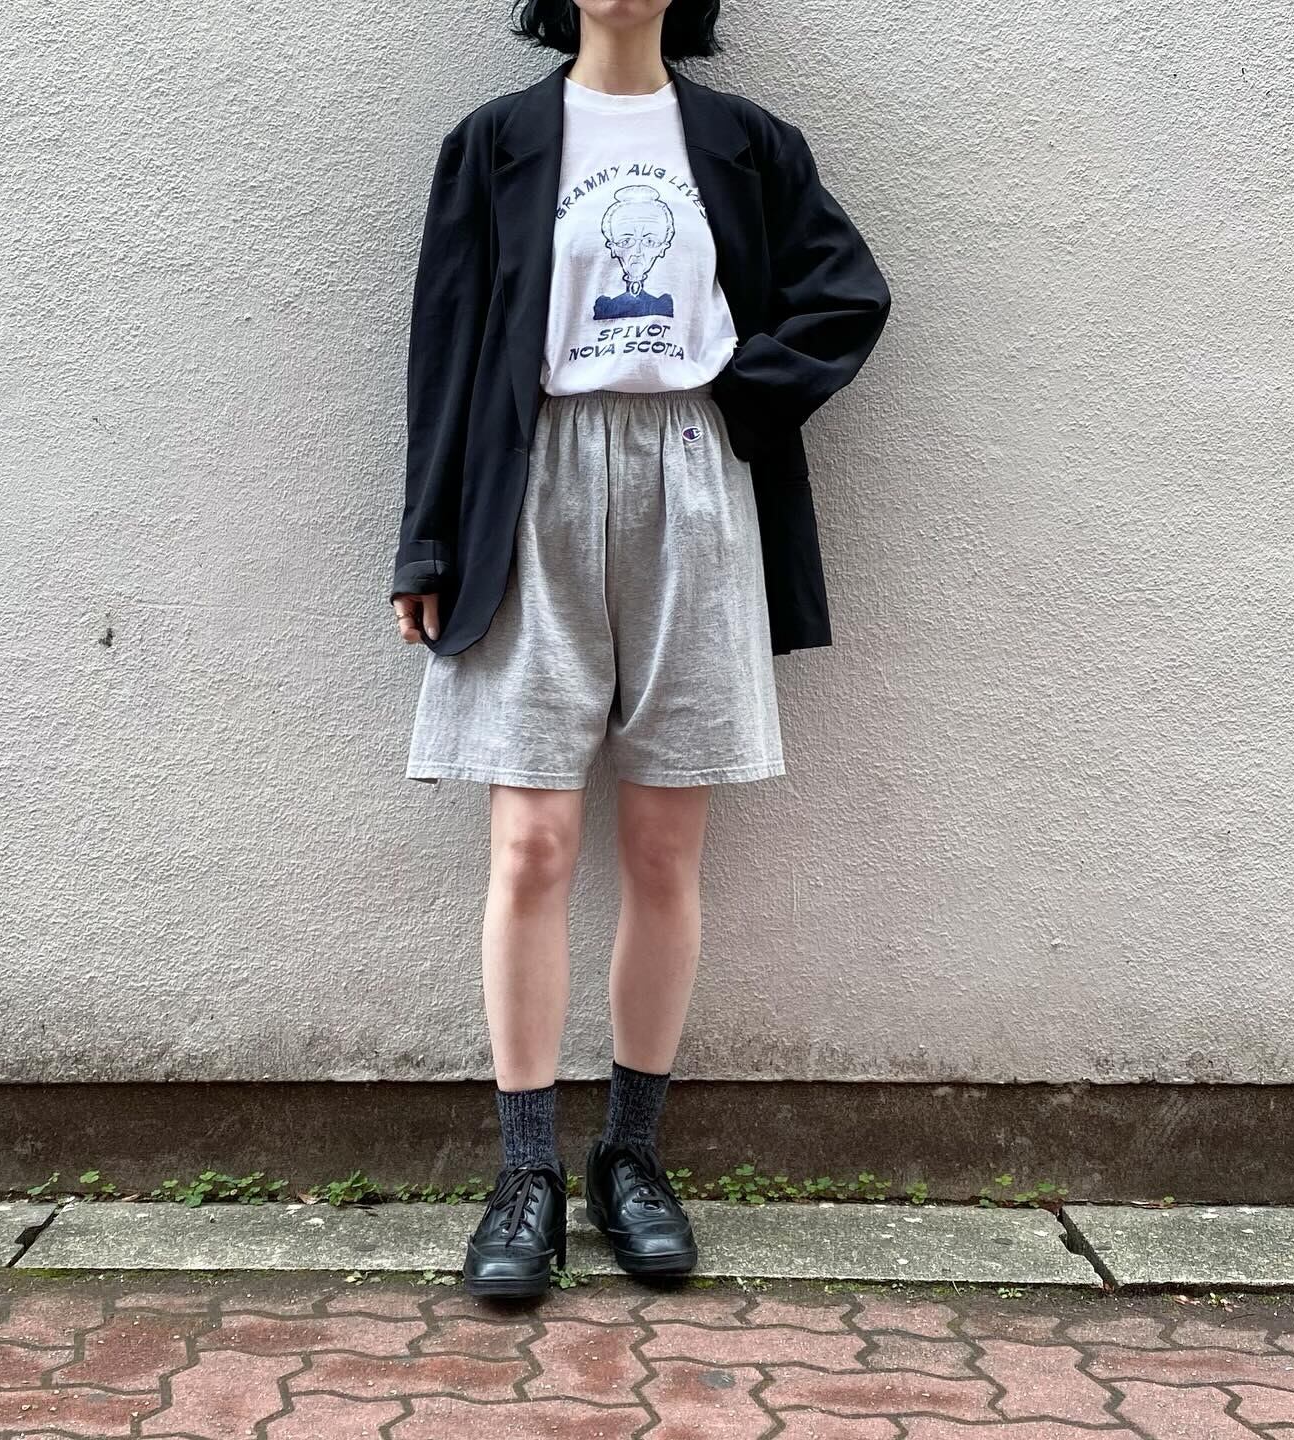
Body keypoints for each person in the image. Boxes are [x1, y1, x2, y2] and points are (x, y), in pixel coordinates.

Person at [389, 0, 891, 1299]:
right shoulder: (495, 142)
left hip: (692, 478)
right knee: (532, 843)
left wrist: (740, 386)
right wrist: (426, 544)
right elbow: (446, 347)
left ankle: (630, 1156)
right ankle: (525, 1173)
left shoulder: (745, 142)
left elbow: (848, 294)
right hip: (532, 483)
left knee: (666, 847)